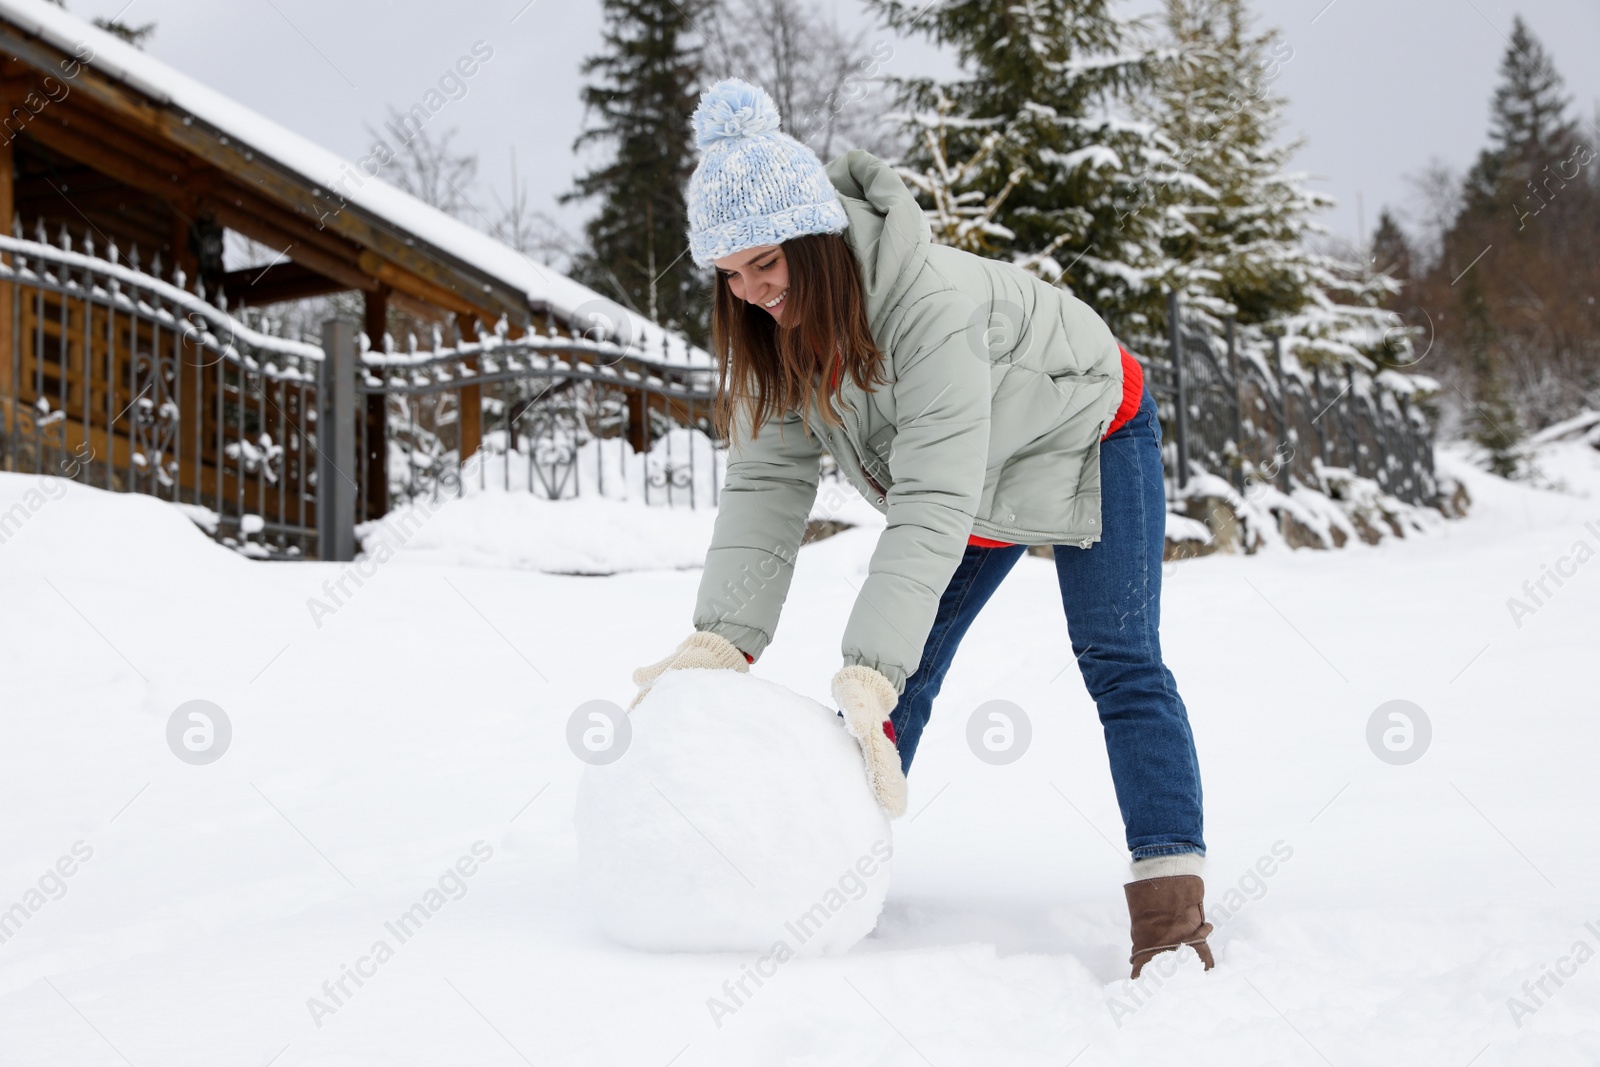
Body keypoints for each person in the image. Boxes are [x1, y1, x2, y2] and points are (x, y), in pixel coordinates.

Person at [629, 79, 1213, 980]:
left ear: (816, 244)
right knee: (888, 693)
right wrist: (724, 635)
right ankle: (821, 880)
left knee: (1119, 657)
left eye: (767, 267)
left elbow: (933, 498)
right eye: (730, 276)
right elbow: (765, 486)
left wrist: (869, 658)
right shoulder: (778, 338)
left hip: (1090, 428)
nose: (752, 294)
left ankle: (1173, 914)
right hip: (979, 466)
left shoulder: (927, 306)